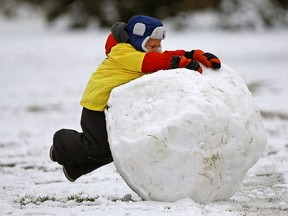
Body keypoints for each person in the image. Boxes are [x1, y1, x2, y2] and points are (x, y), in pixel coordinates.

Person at [50, 15, 221, 182]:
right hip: (96, 105)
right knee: (98, 148)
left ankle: (74, 169)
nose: (157, 49)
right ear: (139, 41)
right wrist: (179, 62)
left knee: (116, 149)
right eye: (152, 46)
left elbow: (162, 56)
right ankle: (60, 144)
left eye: (158, 46)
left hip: (112, 107)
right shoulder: (124, 52)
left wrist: (191, 54)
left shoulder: (141, 53)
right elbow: (153, 61)